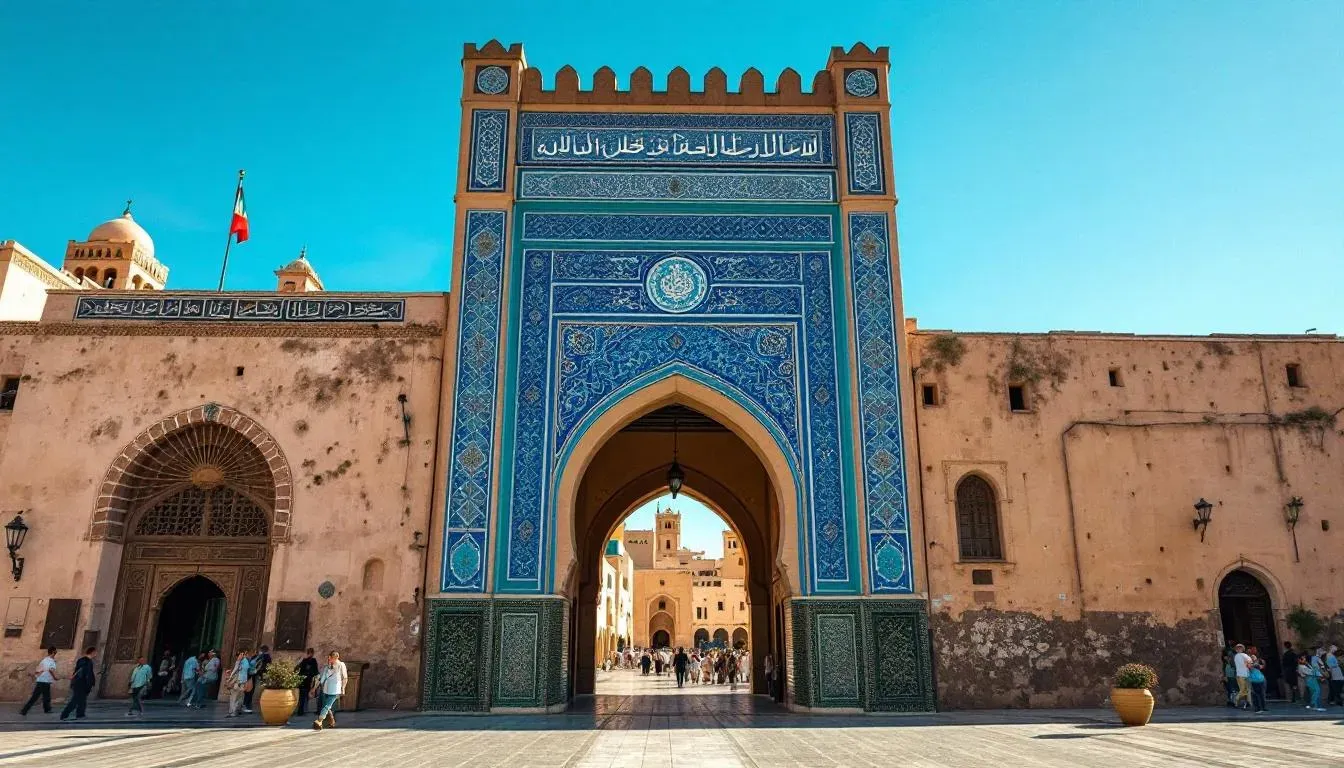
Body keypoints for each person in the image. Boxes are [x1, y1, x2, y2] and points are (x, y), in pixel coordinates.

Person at [312, 650, 348, 731]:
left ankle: (319, 721)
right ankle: (332, 722)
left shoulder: (341, 665)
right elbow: (322, 678)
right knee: (327, 707)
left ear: (336, 658)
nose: (329, 660)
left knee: (327, 706)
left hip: (335, 689)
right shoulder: (327, 667)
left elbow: (345, 677)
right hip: (326, 689)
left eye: (331, 659)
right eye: (329, 659)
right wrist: (314, 688)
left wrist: (343, 688)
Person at [59, 647, 97, 721]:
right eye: (95, 652)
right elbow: (85, 673)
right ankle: (64, 714)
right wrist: (89, 683)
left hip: (81, 683)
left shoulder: (85, 661)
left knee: (82, 700)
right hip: (80, 683)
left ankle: (80, 714)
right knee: (75, 700)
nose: (96, 654)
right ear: (92, 652)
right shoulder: (86, 661)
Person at [19, 647, 58, 716]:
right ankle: (24, 710)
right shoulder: (52, 661)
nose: (55, 654)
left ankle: (47, 709)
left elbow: (39, 670)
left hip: (41, 680)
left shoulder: (44, 660)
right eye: (55, 652)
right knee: (37, 697)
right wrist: (55, 677)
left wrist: (34, 675)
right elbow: (51, 670)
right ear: (52, 652)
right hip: (45, 681)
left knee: (45, 696)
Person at [244, 645, 270, 713]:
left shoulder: (262, 657)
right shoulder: (258, 657)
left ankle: (247, 705)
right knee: (249, 690)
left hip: (253, 675)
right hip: (252, 675)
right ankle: (246, 705)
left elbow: (260, 666)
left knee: (249, 690)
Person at [226, 649, 251, 717]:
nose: (239, 656)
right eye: (239, 655)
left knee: (235, 697)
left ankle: (233, 712)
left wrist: (238, 661)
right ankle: (236, 710)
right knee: (238, 697)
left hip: (239, 681)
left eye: (240, 655)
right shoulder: (244, 662)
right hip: (241, 681)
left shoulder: (242, 662)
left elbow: (237, 670)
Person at [296, 648, 320, 716]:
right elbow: (315, 671)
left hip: (303, 681)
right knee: (307, 696)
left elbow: (299, 671)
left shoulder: (304, 660)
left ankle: (301, 711)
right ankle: (305, 710)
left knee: (302, 697)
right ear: (312, 653)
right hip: (309, 681)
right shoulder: (313, 661)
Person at [1232, 643, 1252, 711]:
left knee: (1244, 689)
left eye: (1239, 648)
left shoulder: (1236, 656)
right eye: (1238, 648)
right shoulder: (1244, 655)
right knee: (1245, 690)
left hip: (1239, 675)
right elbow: (1250, 662)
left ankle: (1246, 702)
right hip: (1245, 674)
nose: (1239, 649)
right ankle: (1236, 701)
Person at [1247, 647, 1267, 714]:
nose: (1253, 657)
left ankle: (1262, 708)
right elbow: (1260, 666)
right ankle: (1259, 708)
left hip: (1260, 680)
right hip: (1255, 681)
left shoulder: (1254, 664)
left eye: (1254, 657)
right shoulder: (1251, 664)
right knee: (1257, 695)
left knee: (1261, 694)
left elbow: (1263, 666)